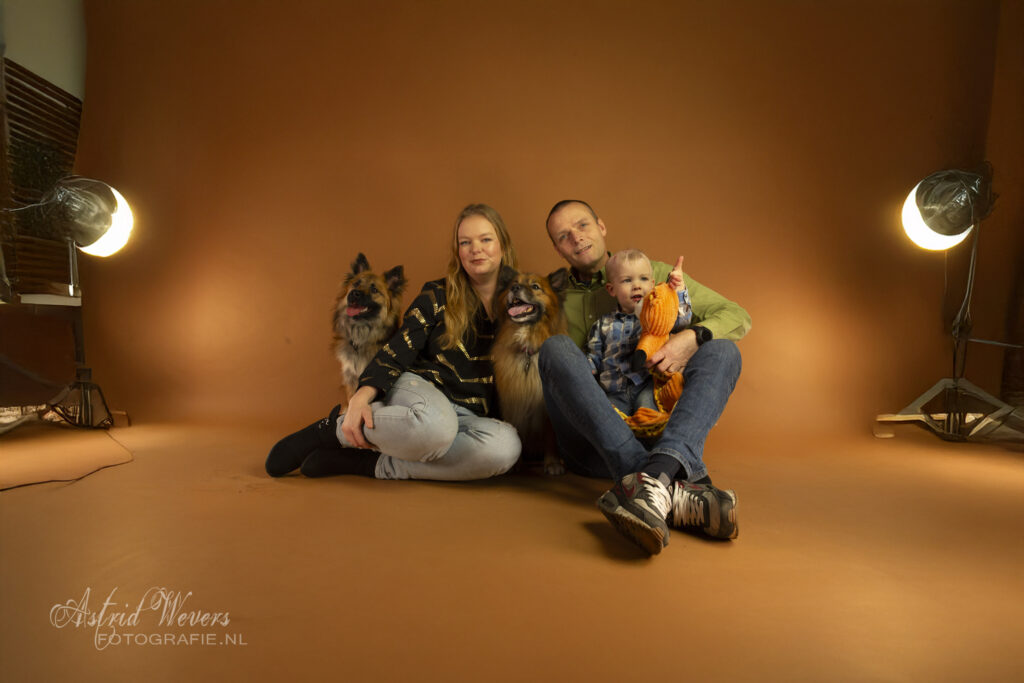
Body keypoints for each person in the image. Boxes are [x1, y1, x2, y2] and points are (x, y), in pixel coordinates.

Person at [538, 200, 751, 555]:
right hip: (591, 443)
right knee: (555, 349)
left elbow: (737, 316)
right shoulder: (550, 292)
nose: (576, 238)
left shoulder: (656, 274)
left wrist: (690, 337)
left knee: (723, 350)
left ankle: (652, 480)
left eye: (582, 225)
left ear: (601, 227)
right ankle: (669, 483)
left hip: (658, 429)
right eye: (563, 236)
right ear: (557, 248)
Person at [265, 204, 522, 482]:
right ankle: (332, 430)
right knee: (435, 430)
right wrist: (360, 398)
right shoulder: (437, 294)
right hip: (419, 393)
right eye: (465, 242)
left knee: (505, 448)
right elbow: (400, 347)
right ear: (457, 252)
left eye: (486, 239)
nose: (476, 249)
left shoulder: (521, 303)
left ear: (503, 245)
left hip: (469, 414)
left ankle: (370, 464)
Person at [586, 248, 692, 416]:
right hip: (613, 392)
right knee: (609, 423)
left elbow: (681, 319)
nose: (636, 286)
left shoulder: (655, 316)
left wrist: (679, 289)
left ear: (651, 284)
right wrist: (587, 369)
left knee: (649, 416)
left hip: (646, 386)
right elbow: (595, 357)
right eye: (627, 280)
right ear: (611, 289)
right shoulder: (602, 325)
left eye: (643, 279)